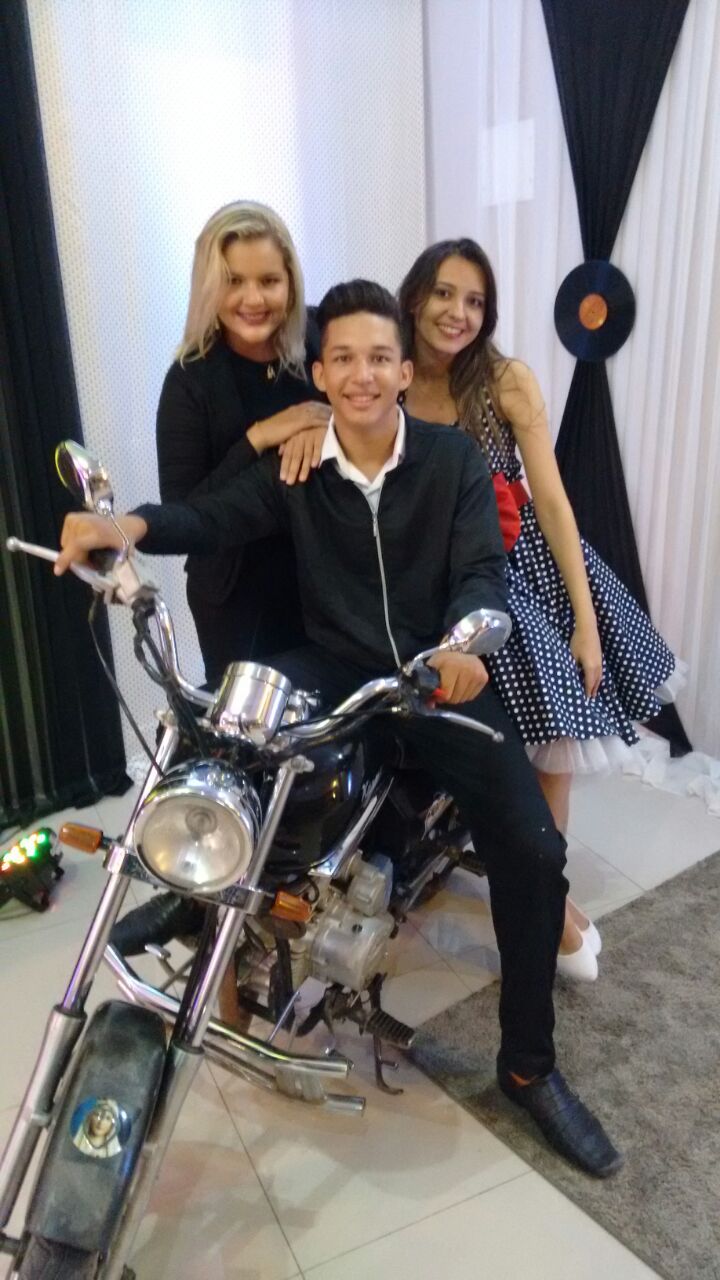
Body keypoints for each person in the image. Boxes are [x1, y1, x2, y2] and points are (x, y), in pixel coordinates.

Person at [56, 280, 623, 1177]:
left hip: (438, 676)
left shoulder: (450, 461)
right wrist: (123, 526)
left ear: (402, 371)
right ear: (320, 373)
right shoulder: (302, 466)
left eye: (378, 358)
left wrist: (467, 642)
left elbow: (481, 571)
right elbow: (211, 516)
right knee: (226, 728)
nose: (362, 375)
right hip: (339, 664)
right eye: (344, 359)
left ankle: (528, 1066)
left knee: (532, 848)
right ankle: (200, 904)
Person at [399, 240, 683, 979]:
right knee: (486, 748)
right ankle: (542, 895)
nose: (458, 313)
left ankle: (543, 898)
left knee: (556, 734)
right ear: (414, 296)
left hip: (522, 568)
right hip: (438, 580)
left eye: (475, 301)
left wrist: (586, 623)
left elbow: (551, 501)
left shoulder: (503, 381)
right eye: (444, 293)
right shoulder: (389, 379)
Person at [156, 200, 330, 686]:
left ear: (291, 282)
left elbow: (378, 404)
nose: (253, 298)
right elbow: (185, 517)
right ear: (209, 286)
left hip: (329, 583)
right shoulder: (188, 381)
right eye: (234, 281)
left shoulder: (320, 340)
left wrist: (328, 426)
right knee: (250, 726)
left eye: (269, 280)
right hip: (237, 598)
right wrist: (260, 436)